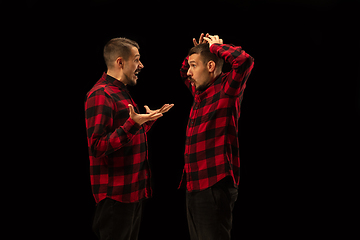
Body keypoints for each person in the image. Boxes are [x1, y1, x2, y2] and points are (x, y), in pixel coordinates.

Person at [85, 37, 174, 240]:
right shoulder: (101, 94)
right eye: (136, 59)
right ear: (120, 62)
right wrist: (134, 123)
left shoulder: (120, 92)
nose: (141, 65)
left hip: (132, 192)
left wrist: (145, 122)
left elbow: (123, 136)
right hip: (115, 197)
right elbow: (97, 147)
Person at [179, 33, 254, 240]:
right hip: (194, 185)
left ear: (211, 66)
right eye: (191, 66)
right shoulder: (199, 92)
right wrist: (197, 50)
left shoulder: (226, 89)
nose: (189, 72)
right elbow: (183, 70)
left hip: (213, 186)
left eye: (195, 66)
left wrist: (215, 48)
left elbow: (244, 61)